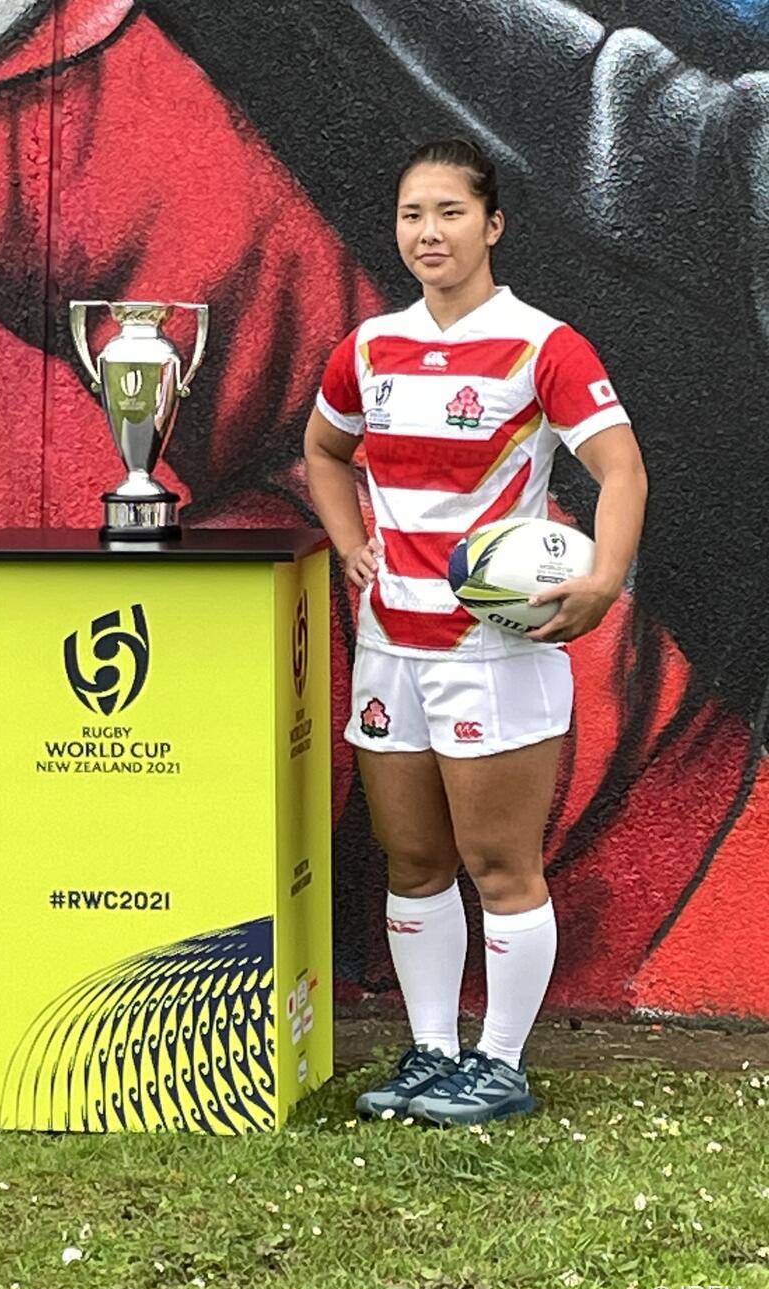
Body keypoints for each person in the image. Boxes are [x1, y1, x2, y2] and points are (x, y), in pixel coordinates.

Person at [304, 138, 648, 1125]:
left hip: (490, 653)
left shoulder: (544, 346)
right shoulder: (368, 348)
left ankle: (498, 1065)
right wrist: (351, 545)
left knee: (500, 866)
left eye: (450, 212)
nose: (429, 232)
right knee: (413, 861)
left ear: (491, 225)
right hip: (389, 647)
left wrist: (604, 577)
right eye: (412, 214)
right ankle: (432, 1052)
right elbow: (324, 450)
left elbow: (621, 469)